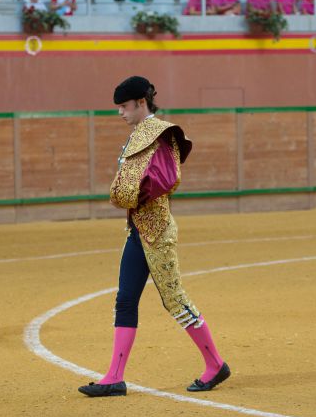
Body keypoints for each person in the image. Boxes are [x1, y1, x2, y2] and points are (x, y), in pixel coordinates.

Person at [78, 76, 231, 398]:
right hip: (138, 229)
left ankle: (215, 364)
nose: (120, 112)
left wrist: (130, 194)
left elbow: (168, 177)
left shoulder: (160, 133)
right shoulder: (139, 134)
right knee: (125, 299)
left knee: (175, 299)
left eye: (124, 106)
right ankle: (114, 377)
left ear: (140, 103)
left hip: (158, 230)